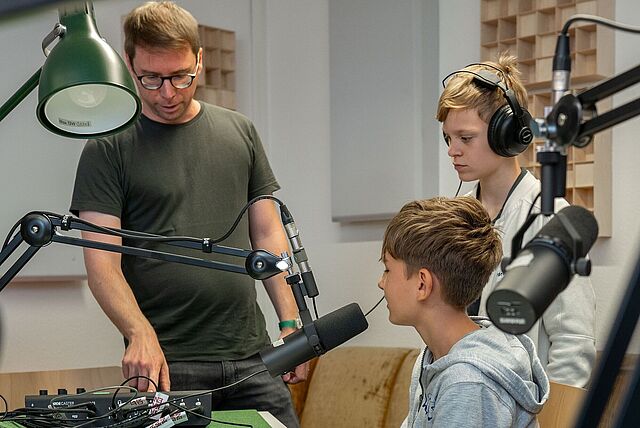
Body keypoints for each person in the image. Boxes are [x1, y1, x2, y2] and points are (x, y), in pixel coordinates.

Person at [69, 2, 304, 426]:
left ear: (199, 59)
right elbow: (102, 265)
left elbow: (268, 235)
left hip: (253, 357)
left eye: (181, 76)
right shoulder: (108, 147)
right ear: (129, 64)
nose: (168, 93)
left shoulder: (240, 132)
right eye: (151, 78)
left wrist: (290, 322)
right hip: (168, 364)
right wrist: (138, 333)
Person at [437, 53, 596, 387]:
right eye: (448, 138)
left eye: (465, 138)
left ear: (507, 134)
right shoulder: (453, 219)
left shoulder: (551, 220)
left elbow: (573, 345)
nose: (453, 150)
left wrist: (553, 413)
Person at [379, 196, 549, 427]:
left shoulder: (467, 383)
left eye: (387, 270)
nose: (381, 282)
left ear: (422, 284)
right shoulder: (434, 358)